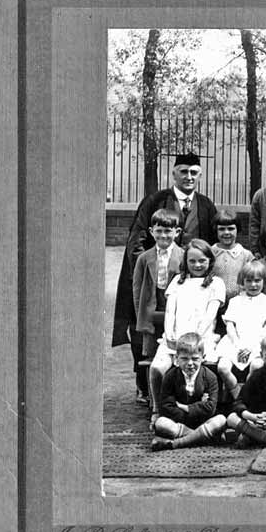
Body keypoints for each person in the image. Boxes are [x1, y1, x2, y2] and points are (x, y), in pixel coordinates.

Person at [111, 152, 218, 400]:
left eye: (194, 172)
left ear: (200, 175)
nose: (188, 177)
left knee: (182, 332)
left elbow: (209, 247)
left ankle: (179, 386)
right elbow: (136, 239)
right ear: (174, 173)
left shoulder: (205, 205)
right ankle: (144, 387)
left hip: (188, 283)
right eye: (183, 171)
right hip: (154, 281)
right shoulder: (155, 201)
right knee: (145, 333)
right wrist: (147, 268)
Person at [148, 240, 225, 429]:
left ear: (210, 261)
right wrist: (171, 334)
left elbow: (210, 315)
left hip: (201, 338)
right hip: (174, 339)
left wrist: (194, 338)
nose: (197, 265)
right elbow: (170, 312)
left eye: (202, 261)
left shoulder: (216, 283)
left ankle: (201, 412)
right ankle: (158, 410)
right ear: (186, 261)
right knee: (158, 368)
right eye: (192, 261)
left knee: (202, 368)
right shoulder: (178, 281)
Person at [129, 208, 183, 405]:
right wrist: (140, 314)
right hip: (151, 309)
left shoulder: (183, 256)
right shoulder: (144, 258)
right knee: (152, 357)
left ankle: (173, 397)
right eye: (159, 231)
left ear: (177, 232)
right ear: (152, 231)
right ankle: (154, 400)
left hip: (173, 310)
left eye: (168, 231)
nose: (163, 236)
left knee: (174, 353)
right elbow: (137, 288)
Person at [150, 332, 227, 451]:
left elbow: (210, 408)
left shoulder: (210, 377)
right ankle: (202, 437)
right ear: (176, 359)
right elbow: (166, 407)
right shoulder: (170, 376)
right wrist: (198, 407)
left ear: (203, 357)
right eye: (184, 359)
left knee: (221, 419)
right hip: (180, 423)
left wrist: (184, 407)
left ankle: (176, 443)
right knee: (161, 423)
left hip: (203, 421)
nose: (190, 363)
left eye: (195, 359)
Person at [215, 261, 266, 394]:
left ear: (264, 281)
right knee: (223, 367)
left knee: (257, 366)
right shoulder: (235, 301)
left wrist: (252, 348)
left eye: (257, 280)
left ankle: (247, 395)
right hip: (234, 342)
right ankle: (237, 395)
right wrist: (238, 346)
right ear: (242, 282)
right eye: (248, 281)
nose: (253, 285)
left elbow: (265, 330)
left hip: (257, 344)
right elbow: (230, 327)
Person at [210, 209, 253, 311]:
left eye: (230, 229)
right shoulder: (209, 253)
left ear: (238, 229)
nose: (226, 232)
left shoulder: (246, 255)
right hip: (214, 304)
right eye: (221, 229)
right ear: (215, 230)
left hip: (239, 305)